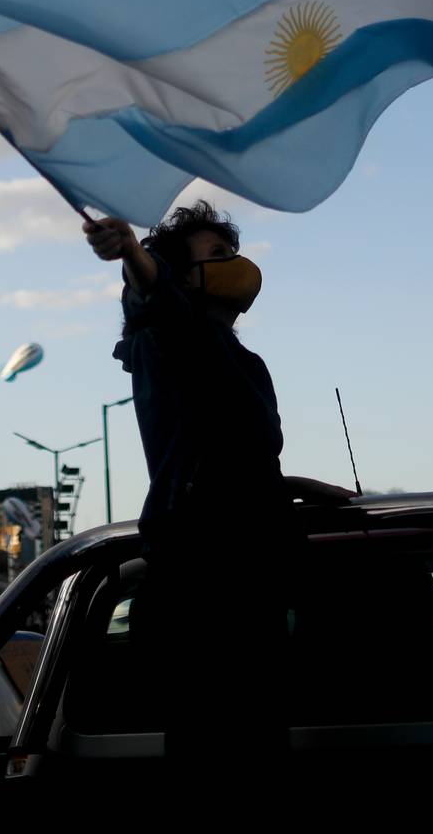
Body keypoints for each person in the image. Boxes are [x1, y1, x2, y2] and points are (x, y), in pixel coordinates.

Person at [86, 200, 291, 761]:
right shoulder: (168, 338)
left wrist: (294, 486)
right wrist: (132, 253)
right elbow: (153, 297)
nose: (237, 264)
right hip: (204, 581)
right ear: (182, 274)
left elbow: (237, 458)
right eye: (218, 255)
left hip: (252, 573)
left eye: (234, 252)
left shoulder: (243, 359)